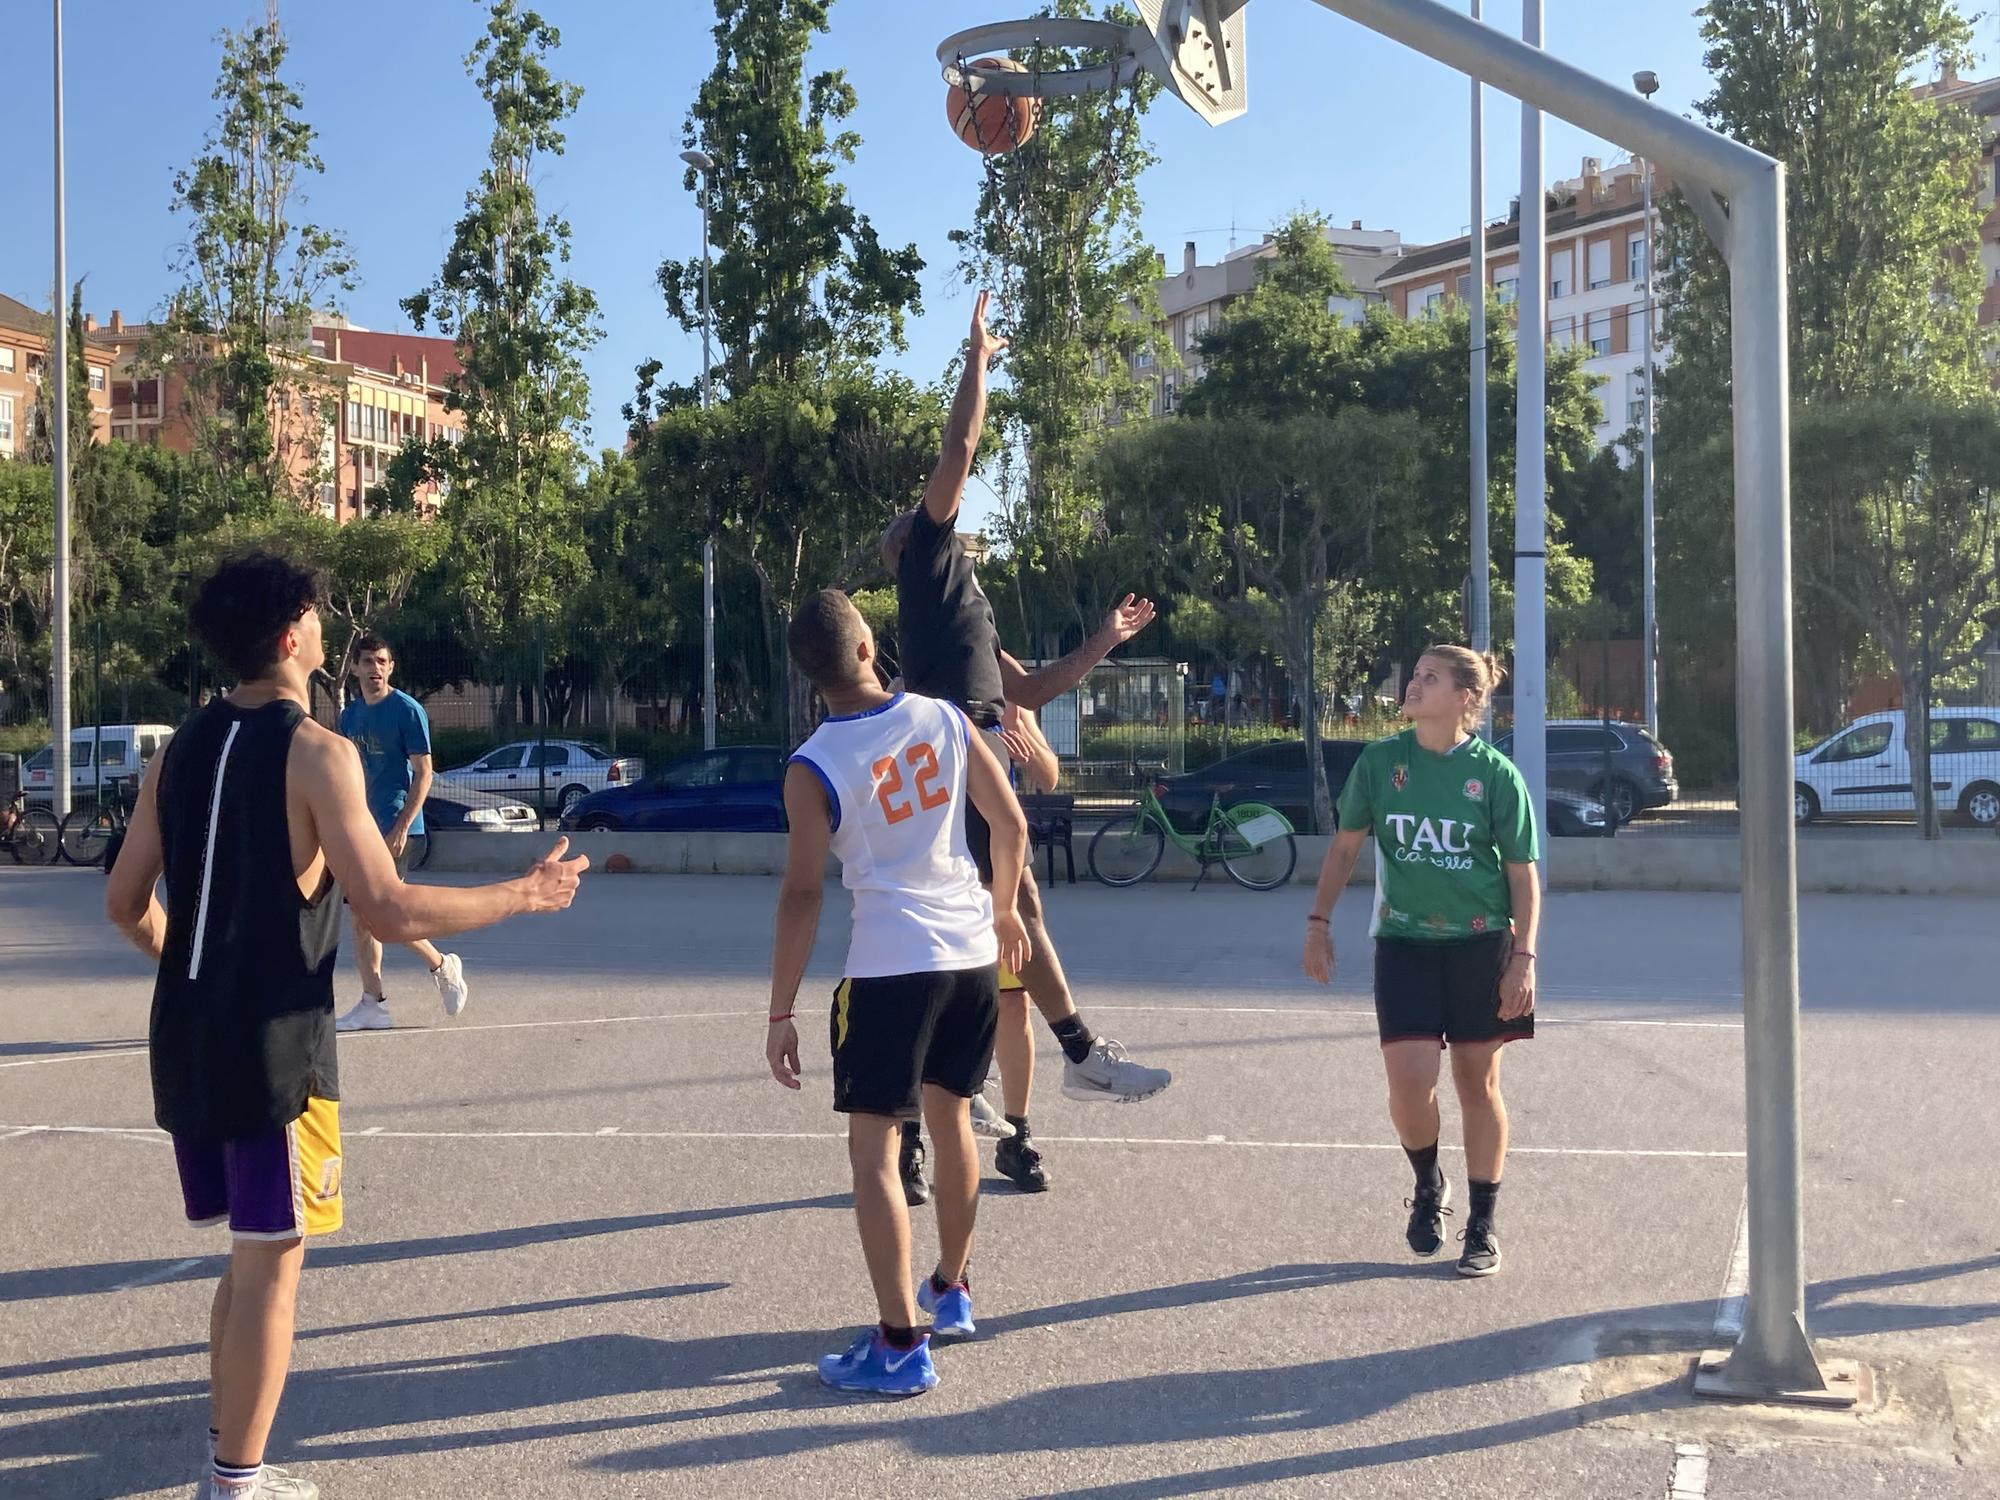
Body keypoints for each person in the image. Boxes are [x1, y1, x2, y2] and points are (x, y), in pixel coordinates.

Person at [104, 551, 587, 1499]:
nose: (328, 631)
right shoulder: (316, 753)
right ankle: (235, 1481)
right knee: (275, 1264)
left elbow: (126, 902)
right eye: (318, 618)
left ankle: (226, 1455)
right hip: (276, 1050)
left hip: (193, 1038)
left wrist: (195, 972)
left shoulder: (178, 751)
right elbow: (390, 909)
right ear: (291, 638)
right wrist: (523, 894)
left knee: (250, 1255)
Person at [880, 290, 1171, 1201]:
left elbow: (1033, 688)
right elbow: (960, 449)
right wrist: (977, 359)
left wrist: (1106, 641)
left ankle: (1046, 1068)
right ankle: (1054, 1062)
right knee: (971, 939)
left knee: (1008, 925)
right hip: (944, 764)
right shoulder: (927, 568)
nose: (919, 513)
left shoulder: (969, 599)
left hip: (969, 762)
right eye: (914, 516)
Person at [767, 588, 1031, 1397]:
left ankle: (897, 1342)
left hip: (890, 968)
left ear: (811, 676)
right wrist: (1005, 907)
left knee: (876, 1150)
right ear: (868, 646)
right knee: (953, 1118)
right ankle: (950, 1289)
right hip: (970, 955)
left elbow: (805, 894)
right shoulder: (946, 719)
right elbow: (1010, 824)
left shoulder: (813, 766)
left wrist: (780, 1009)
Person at [1301, 646, 1539, 1278]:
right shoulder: (1382, 763)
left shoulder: (1495, 775)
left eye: (1429, 677)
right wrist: (1318, 924)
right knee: (1409, 1082)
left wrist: (1523, 957)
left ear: (1464, 697)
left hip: (1481, 943)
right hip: (1403, 943)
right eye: (1415, 673)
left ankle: (1483, 1223)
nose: (1413, 683)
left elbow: (1523, 877)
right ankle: (1430, 1182)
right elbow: (1344, 850)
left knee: (1477, 1083)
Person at [333, 634, 467, 1031]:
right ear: (355, 667)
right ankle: (373, 1002)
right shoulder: (350, 717)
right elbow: (350, 773)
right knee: (362, 916)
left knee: (380, 915)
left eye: (382, 662)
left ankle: (443, 966)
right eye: (368, 661)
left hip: (397, 828)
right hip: (361, 828)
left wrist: (401, 827)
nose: (375, 669)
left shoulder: (407, 711)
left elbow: (424, 773)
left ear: (390, 668)